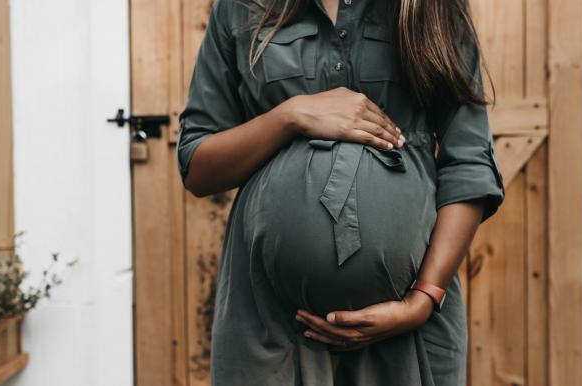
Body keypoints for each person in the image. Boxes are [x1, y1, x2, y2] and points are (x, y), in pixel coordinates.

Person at [176, 0, 505, 384]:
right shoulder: (239, 7)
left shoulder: (431, 6)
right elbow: (197, 166)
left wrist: (423, 300)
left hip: (408, 327)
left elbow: (468, 162)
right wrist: (290, 116)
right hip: (271, 328)